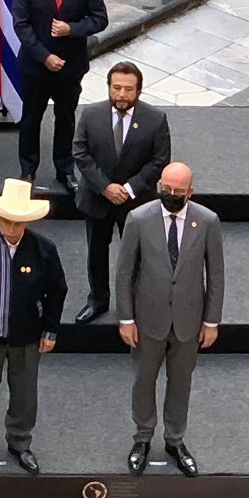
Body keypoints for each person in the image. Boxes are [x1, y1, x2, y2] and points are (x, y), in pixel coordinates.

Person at [117, 162, 223, 477]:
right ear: (159, 186)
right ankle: (142, 438)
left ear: (190, 191)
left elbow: (215, 275)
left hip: (189, 322)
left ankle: (175, 440)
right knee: (144, 381)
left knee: (181, 383)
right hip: (148, 319)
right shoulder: (138, 219)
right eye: (167, 189)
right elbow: (124, 273)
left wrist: (211, 322)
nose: (172, 195)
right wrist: (125, 319)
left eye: (179, 191)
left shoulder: (207, 221)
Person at [0, 178, 67, 474]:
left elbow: (57, 290)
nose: (11, 228)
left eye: (18, 223)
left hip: (28, 336)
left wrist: (50, 330)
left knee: (25, 393)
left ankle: (20, 442)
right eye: (6, 221)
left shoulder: (44, 249)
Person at [11, 0, 110, 195]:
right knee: (31, 119)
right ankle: (27, 171)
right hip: (36, 66)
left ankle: (65, 170)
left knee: (65, 120)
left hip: (70, 67)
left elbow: (100, 19)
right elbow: (21, 24)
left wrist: (73, 29)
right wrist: (44, 57)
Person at [72, 60, 170, 324]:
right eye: (116, 88)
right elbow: (81, 154)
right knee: (96, 253)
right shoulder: (91, 115)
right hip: (97, 199)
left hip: (135, 204)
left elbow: (159, 161)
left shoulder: (155, 119)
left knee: (138, 255)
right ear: (108, 87)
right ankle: (98, 301)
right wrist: (105, 187)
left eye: (128, 89)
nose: (122, 94)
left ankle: (136, 305)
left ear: (139, 90)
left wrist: (127, 189)